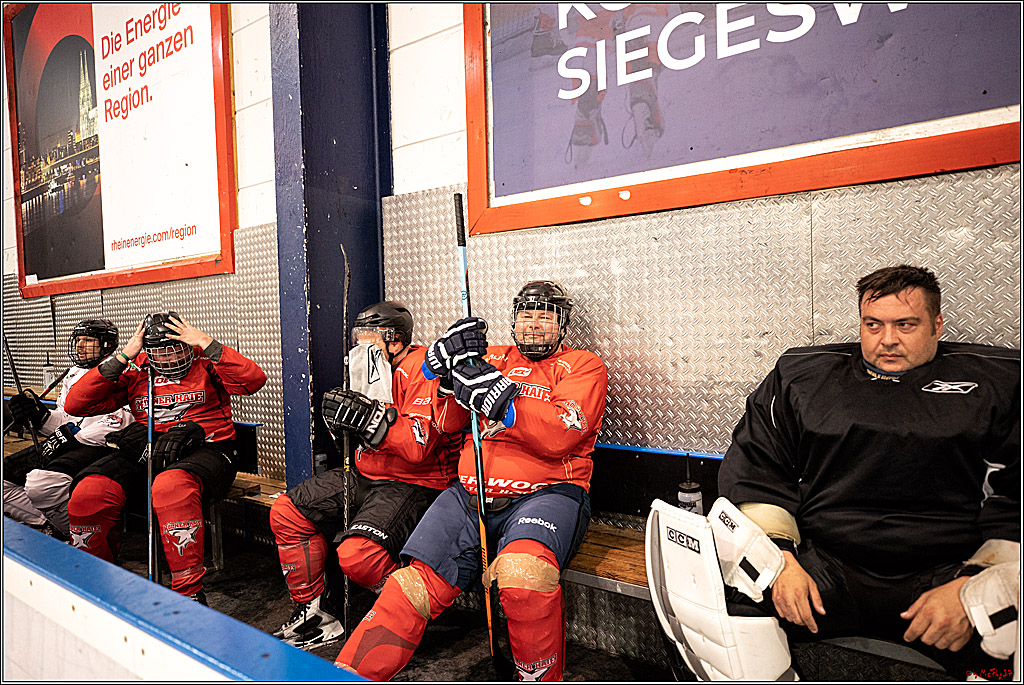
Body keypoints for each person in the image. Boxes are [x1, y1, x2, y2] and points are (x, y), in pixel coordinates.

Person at [657, 264, 1019, 680]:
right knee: (723, 599)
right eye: (873, 324)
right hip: (827, 567)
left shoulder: (999, 383)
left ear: (937, 325)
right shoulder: (804, 377)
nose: (887, 339)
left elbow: (1015, 493)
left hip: (946, 573)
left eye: (906, 324)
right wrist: (781, 563)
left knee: (1006, 627)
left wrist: (972, 586)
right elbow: (758, 469)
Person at [336, 280, 609, 681]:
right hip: (469, 493)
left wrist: (499, 398)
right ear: (513, 321)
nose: (534, 324)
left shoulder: (584, 365)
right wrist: (443, 374)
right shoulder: (490, 357)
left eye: (546, 316)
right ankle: (348, 676)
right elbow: (446, 423)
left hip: (547, 494)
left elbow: (559, 435)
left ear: (563, 324)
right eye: (526, 315)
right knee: (407, 587)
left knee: (523, 576)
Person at [269, 301, 463, 648]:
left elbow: (419, 448)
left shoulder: (423, 369)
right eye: (360, 336)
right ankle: (315, 613)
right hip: (366, 472)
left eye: (371, 336)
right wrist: (341, 424)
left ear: (395, 339)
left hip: (414, 481)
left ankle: (409, 607)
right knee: (287, 512)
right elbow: (357, 436)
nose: (363, 344)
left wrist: (372, 421)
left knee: (357, 556)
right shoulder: (366, 367)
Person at [64, 312, 267, 604]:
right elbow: (76, 402)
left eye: (176, 349)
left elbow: (254, 380)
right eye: (160, 352)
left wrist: (205, 342)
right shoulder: (138, 370)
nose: (170, 359)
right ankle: (94, 584)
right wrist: (124, 355)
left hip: (210, 449)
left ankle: (189, 595)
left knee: (171, 487)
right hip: (152, 447)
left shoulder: (205, 360)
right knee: (89, 493)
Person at [4, 319, 134, 539]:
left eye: (88, 340)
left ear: (107, 345)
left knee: (41, 484)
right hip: (67, 442)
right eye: (78, 340)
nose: (80, 346)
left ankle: (80, 538)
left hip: (102, 448)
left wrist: (72, 438)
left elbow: (120, 422)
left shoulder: (123, 372)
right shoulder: (73, 373)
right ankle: (53, 522)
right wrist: (39, 416)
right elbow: (65, 419)